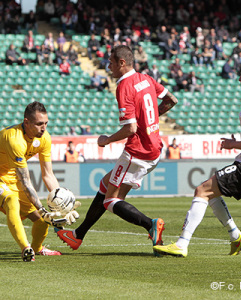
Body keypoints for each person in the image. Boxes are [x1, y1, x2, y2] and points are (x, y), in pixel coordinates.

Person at [153, 57, 241, 258]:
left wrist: (231, 144)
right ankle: (235, 235)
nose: (239, 79)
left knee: (201, 190)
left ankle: (182, 244)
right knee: (211, 192)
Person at [55, 45, 178, 255]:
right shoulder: (145, 78)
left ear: (122, 63)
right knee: (105, 185)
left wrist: (107, 140)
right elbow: (172, 100)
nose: (108, 66)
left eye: (111, 62)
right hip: (154, 148)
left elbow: (130, 129)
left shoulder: (124, 86)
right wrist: (150, 120)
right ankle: (78, 235)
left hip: (137, 152)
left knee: (111, 200)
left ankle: (151, 224)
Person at [0, 101, 79, 262]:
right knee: (12, 201)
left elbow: (48, 175)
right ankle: (26, 249)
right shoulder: (14, 139)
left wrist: (61, 206)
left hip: (13, 179)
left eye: (46, 123)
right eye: (39, 124)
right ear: (26, 122)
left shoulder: (44, 138)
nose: (43, 128)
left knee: (42, 220)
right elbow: (26, 182)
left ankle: (37, 248)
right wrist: (43, 208)